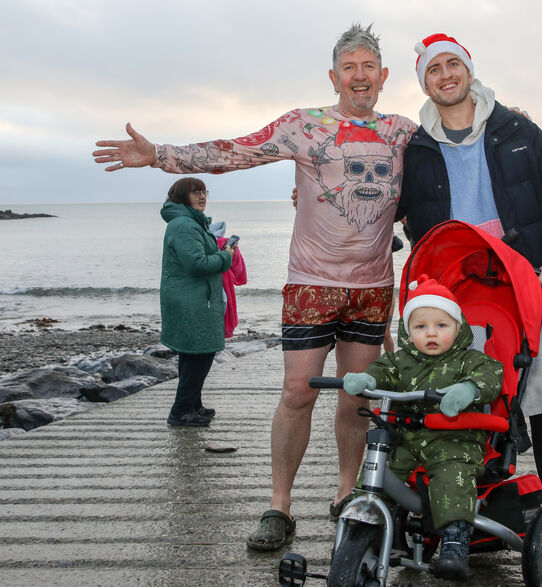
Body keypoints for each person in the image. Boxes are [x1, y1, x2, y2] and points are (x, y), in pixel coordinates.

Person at [92, 24, 417, 551]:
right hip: (312, 284)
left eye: (369, 66)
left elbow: (447, 156)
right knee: (296, 393)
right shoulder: (304, 126)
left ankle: (346, 495)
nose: (360, 76)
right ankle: (279, 507)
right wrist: (158, 155)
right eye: (349, 67)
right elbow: (234, 152)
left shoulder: (403, 131)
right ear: (333, 76)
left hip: (374, 286)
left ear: (383, 76)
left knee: (356, 399)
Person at [397, 33, 542, 546]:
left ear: (468, 69)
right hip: (455, 293)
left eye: (453, 65)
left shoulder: (518, 129)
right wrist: (313, 195)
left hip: (529, 282)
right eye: (433, 70)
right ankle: (467, 502)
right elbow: (387, 205)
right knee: (460, 394)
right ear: (423, 82)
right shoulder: (416, 147)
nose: (445, 75)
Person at [341, 275, 504, 579]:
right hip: (407, 436)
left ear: (458, 328)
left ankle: (455, 539)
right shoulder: (401, 359)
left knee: (452, 475)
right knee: (380, 465)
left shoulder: (470, 359)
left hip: (455, 437)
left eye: (441, 326)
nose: (431, 333)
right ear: (407, 332)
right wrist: (367, 380)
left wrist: (467, 389)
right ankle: (366, 525)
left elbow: (491, 376)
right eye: (421, 327)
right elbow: (382, 370)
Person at [160, 178, 234, 426]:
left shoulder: (190, 222)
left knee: (194, 353)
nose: (202, 196)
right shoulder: (185, 226)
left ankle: (193, 405)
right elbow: (197, 264)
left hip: (193, 297)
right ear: (183, 196)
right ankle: (180, 411)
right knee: (200, 353)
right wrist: (226, 256)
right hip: (191, 299)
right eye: (195, 192)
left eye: (204, 191)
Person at [209, 221, 248, 338]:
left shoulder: (201, 242)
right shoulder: (225, 243)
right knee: (224, 305)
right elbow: (238, 269)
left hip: (206, 284)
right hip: (223, 281)